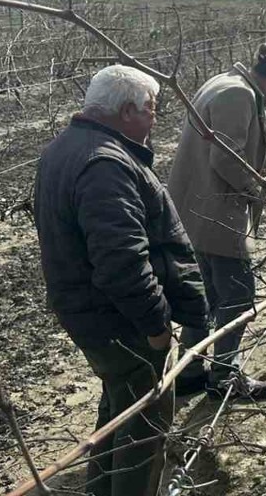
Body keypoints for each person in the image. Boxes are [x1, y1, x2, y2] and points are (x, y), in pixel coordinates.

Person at [34, 65, 209, 496]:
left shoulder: (66, 147)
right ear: (127, 111)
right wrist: (156, 326)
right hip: (119, 321)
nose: (155, 118)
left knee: (118, 407)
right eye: (151, 109)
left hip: (89, 312)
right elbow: (121, 261)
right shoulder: (105, 165)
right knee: (144, 429)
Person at [167, 44, 266, 400]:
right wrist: (257, 189)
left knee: (207, 296)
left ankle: (190, 371)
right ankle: (224, 378)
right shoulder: (238, 94)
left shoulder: (225, 81)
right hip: (218, 215)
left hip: (198, 211)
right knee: (239, 297)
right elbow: (227, 159)